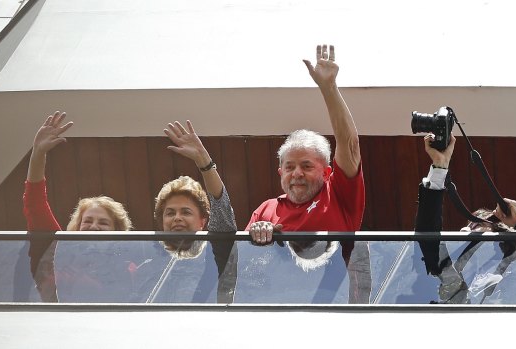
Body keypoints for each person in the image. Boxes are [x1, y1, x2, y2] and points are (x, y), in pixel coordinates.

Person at [415, 133, 516, 303]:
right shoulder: (452, 270)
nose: (468, 230)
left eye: (480, 224)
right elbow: (426, 235)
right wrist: (439, 166)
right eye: (470, 225)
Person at [247, 44, 364, 243]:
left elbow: (349, 144)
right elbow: (247, 264)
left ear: (327, 173)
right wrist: (258, 232)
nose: (297, 173)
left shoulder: (338, 195)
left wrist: (329, 88)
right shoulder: (265, 210)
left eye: (307, 166)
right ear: (281, 173)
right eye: (289, 167)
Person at [23, 111, 133, 301]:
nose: (94, 226)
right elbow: (35, 203)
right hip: (50, 323)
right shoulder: (56, 248)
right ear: (77, 226)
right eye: (88, 220)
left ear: (118, 232)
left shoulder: (128, 267)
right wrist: (38, 153)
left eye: (104, 223)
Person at [155, 120, 238, 303]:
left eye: (185, 212)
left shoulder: (214, 251)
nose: (177, 218)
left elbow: (220, 206)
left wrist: (204, 162)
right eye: (170, 213)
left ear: (203, 221)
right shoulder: (148, 264)